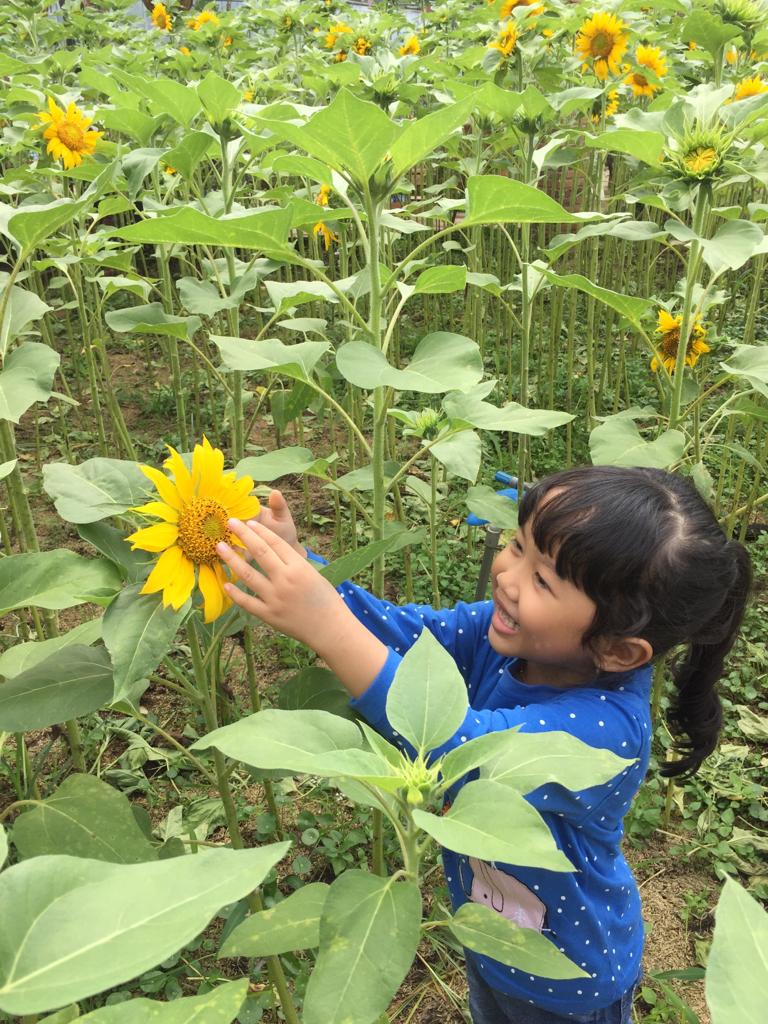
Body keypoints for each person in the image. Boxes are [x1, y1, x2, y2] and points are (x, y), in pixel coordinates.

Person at [214, 465, 752, 1024]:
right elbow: (407, 635)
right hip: (489, 939)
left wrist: (327, 627)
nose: (507, 575)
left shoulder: (607, 731)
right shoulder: (507, 635)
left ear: (618, 651)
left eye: (543, 580)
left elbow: (462, 752)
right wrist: (304, 571)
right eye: (518, 545)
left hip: (568, 976)